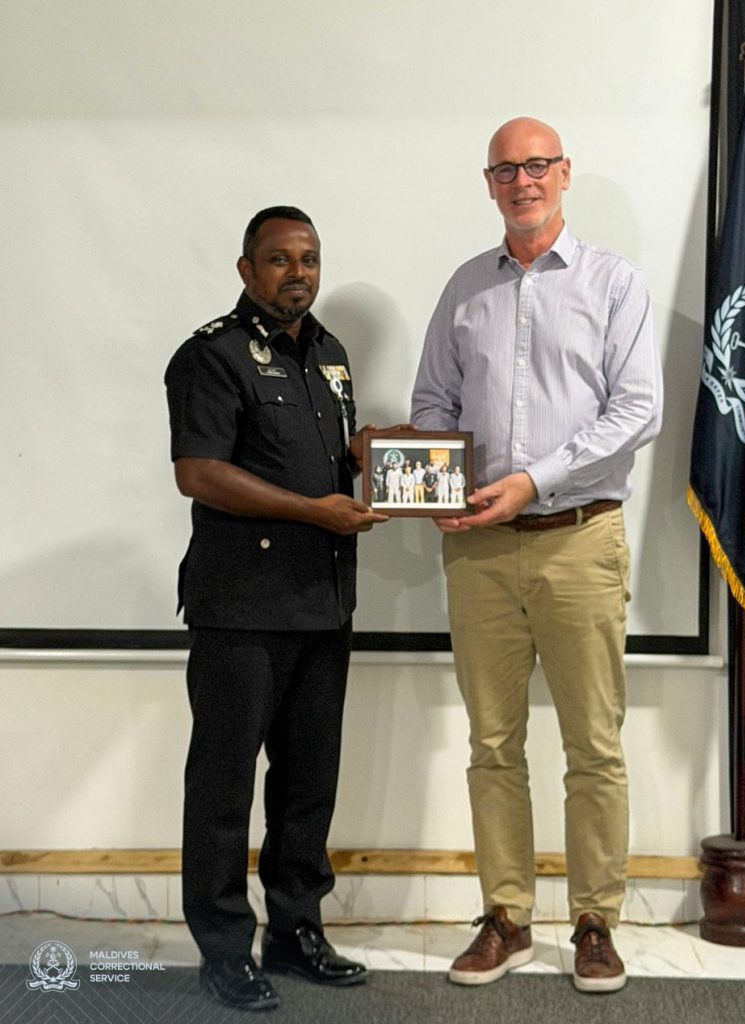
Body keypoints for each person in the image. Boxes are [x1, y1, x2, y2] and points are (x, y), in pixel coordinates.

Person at [410, 118, 662, 994]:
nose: (523, 181)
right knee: (492, 743)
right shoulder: (465, 288)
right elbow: (433, 400)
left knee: (594, 744)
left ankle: (595, 923)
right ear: (489, 183)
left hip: (580, 540)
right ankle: (506, 918)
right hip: (480, 552)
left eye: (537, 165)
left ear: (564, 174)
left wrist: (532, 480)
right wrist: (441, 486)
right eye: (506, 169)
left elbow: (636, 411)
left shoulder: (614, 282)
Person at [165, 206, 397, 1013]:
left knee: (307, 786)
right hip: (242, 608)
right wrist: (315, 510)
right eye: (279, 259)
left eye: (310, 258)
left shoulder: (329, 355)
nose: (298, 273)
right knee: (224, 790)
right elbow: (199, 472)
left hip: (323, 605)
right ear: (246, 270)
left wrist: (365, 455)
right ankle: (224, 950)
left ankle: (296, 931)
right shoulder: (212, 355)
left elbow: (314, 458)